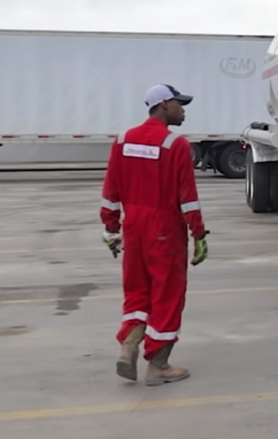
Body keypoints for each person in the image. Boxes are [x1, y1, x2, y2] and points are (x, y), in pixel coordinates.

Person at [99, 83, 209, 386]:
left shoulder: (123, 140)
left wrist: (111, 229)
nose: (183, 110)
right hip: (165, 230)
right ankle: (158, 365)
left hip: (133, 227)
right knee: (167, 295)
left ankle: (129, 345)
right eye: (179, 104)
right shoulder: (176, 145)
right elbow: (187, 198)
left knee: (137, 292)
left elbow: (110, 191)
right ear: (163, 106)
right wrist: (199, 234)